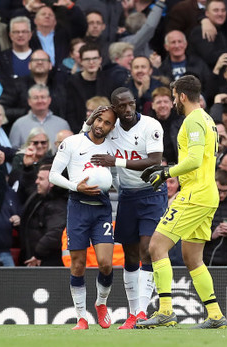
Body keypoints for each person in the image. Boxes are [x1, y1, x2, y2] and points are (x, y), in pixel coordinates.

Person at [137, 75, 227, 329]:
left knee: (156, 247)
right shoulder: (208, 120)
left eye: (175, 96)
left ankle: (165, 310)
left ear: (182, 96)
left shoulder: (194, 120)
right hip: (207, 194)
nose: (174, 100)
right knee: (192, 257)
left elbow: (195, 160)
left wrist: (166, 172)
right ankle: (215, 315)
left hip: (194, 194)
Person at [88, 87, 166, 329]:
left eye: (131, 104)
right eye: (122, 106)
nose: (128, 109)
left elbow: (155, 161)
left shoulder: (151, 126)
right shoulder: (112, 130)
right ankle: (133, 314)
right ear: (114, 108)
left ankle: (142, 312)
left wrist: (117, 161)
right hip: (128, 196)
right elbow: (86, 142)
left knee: (147, 249)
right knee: (130, 255)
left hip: (152, 194)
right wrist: (89, 122)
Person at [48, 107, 117, 330]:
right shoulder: (72, 142)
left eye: (107, 123)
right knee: (77, 265)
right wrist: (74, 186)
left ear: (112, 128)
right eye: (98, 120)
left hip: (102, 209)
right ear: (91, 119)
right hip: (77, 208)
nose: (101, 125)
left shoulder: (113, 144)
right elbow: (53, 175)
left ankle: (101, 303)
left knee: (106, 264)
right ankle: (81, 318)